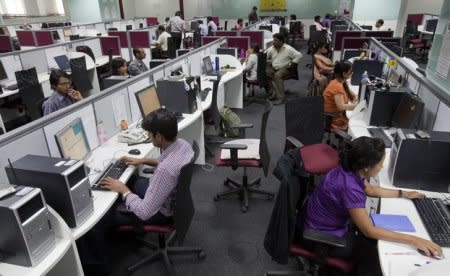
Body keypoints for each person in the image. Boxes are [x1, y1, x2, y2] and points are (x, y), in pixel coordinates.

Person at [299, 136, 442, 274]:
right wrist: (414, 240)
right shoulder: (350, 187)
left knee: (375, 240)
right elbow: (369, 230)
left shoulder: (350, 168)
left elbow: (371, 189)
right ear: (366, 167)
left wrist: (403, 193)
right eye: (380, 163)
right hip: (322, 237)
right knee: (373, 253)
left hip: (317, 221)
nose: (382, 167)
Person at [101, 108, 194, 226]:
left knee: (105, 219)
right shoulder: (183, 144)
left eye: (150, 133)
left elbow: (144, 212)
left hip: (161, 213)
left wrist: (124, 190)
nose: (148, 136)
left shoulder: (164, 171)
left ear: (159, 136)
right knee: (132, 181)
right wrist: (141, 160)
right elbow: (162, 161)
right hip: (172, 199)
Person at [266, 33, 302, 105]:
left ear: (281, 41)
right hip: (274, 67)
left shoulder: (288, 49)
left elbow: (299, 55)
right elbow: (267, 57)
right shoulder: (271, 49)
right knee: (265, 73)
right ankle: (274, 92)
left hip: (285, 67)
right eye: (273, 40)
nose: (273, 42)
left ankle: (281, 98)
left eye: (275, 40)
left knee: (277, 76)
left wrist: (292, 63)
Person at [322, 60, 358, 131]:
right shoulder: (337, 86)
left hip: (338, 115)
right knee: (356, 127)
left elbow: (353, 95)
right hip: (334, 119)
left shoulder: (340, 81)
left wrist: (355, 100)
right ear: (344, 74)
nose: (352, 73)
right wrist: (356, 106)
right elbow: (341, 107)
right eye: (350, 71)